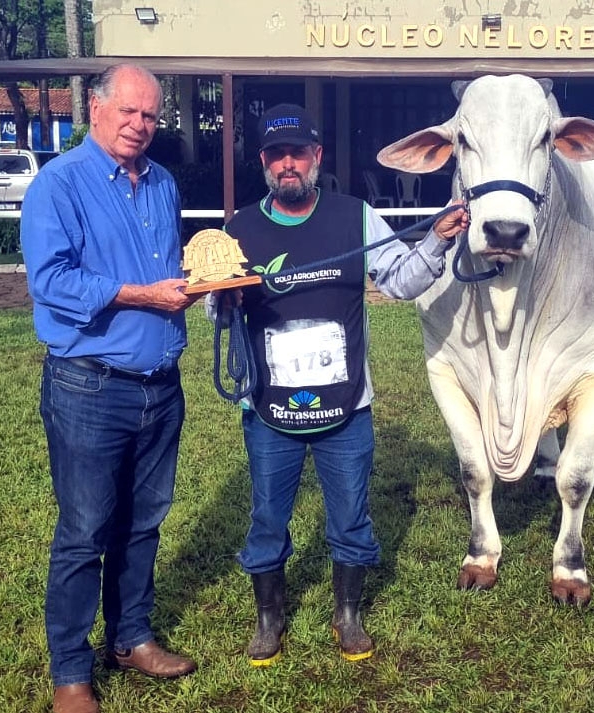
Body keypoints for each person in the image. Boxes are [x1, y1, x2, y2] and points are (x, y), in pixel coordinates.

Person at [206, 103, 468, 666]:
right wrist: (222, 300)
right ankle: (269, 619)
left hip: (347, 410)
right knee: (267, 518)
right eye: (277, 155)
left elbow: (400, 281)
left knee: (351, 517)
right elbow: (214, 309)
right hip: (269, 412)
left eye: (298, 153)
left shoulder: (356, 217)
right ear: (264, 162)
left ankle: (347, 616)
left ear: (317, 156)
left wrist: (437, 240)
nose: (288, 164)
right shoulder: (238, 229)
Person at [20, 63, 198, 713]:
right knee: (85, 530)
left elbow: (167, 267)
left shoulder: (162, 183)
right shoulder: (59, 184)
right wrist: (141, 296)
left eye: (149, 115)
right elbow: (50, 281)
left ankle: (131, 638)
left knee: (143, 522)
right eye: (127, 111)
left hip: (161, 386)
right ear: (94, 109)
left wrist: (204, 282)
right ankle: (71, 674)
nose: (139, 125)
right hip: (89, 387)